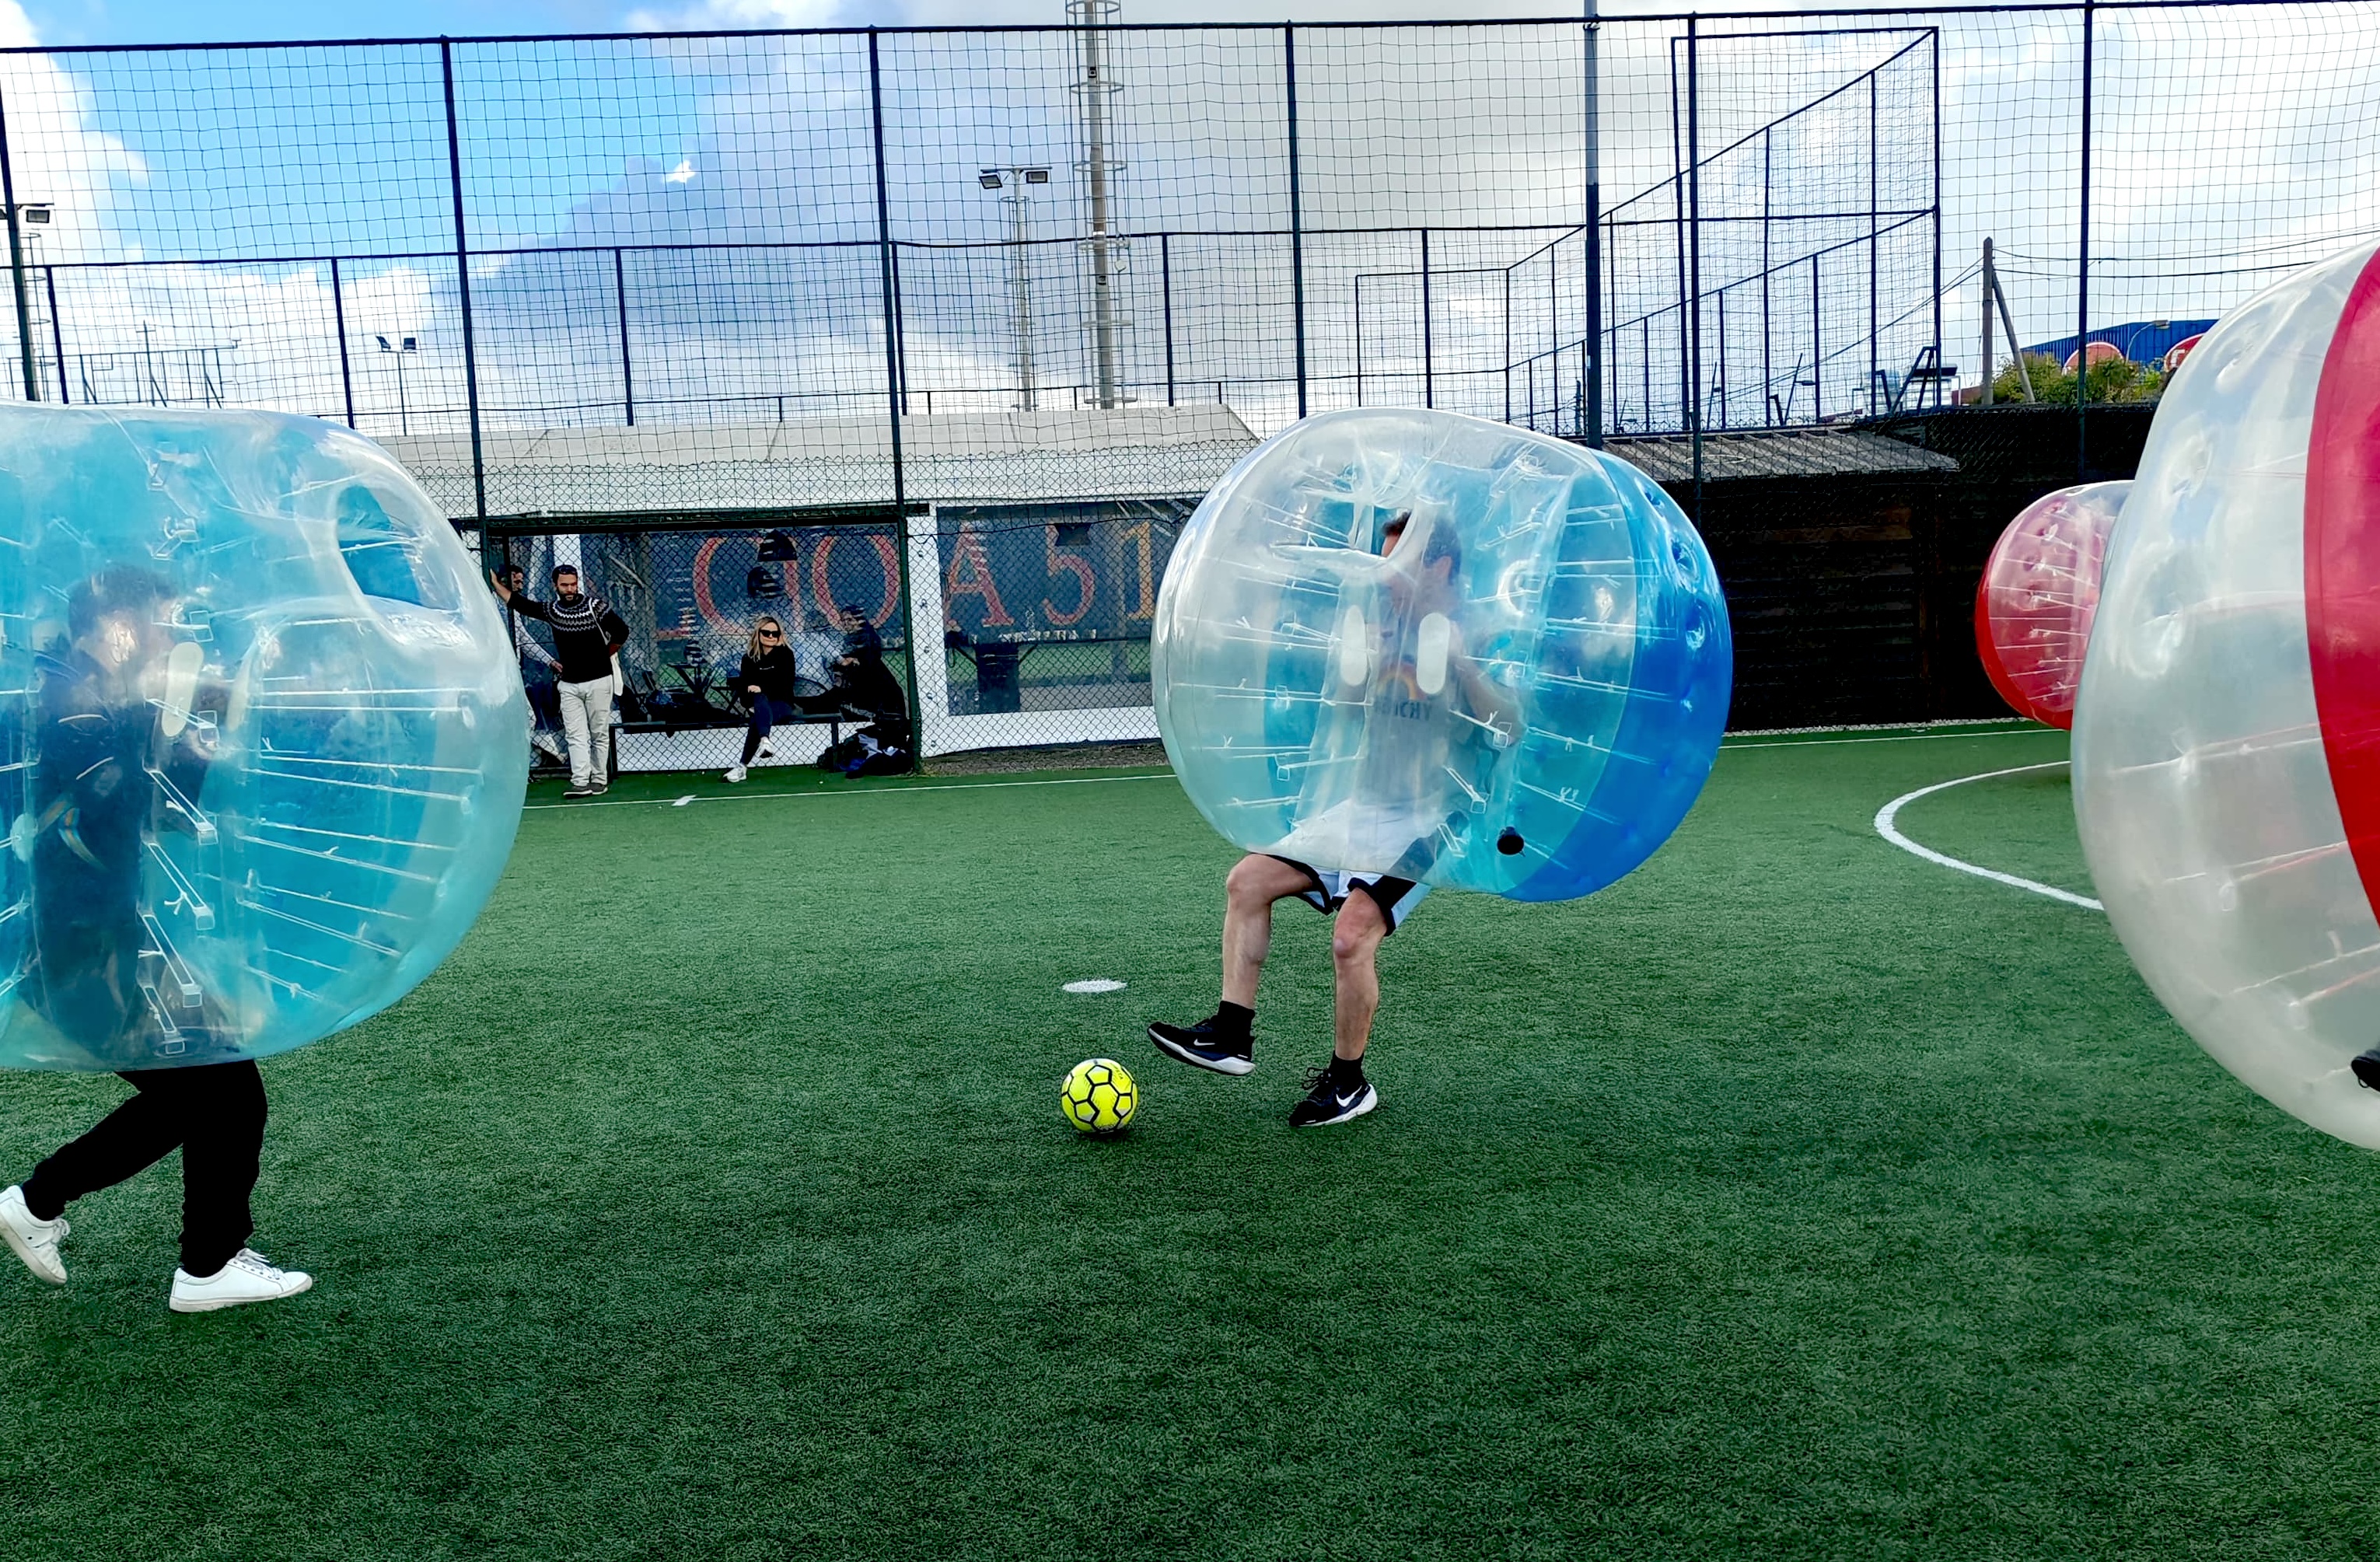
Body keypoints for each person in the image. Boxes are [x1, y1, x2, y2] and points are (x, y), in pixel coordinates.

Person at [0, 567, 313, 1312]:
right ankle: (205, 1265)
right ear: (118, 625)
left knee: (205, 1090)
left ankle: (42, 1204)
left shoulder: (70, 690)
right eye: (164, 620)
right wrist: (190, 736)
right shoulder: (71, 704)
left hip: (91, 941)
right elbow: (127, 811)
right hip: (84, 950)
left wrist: (178, 716)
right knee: (223, 1089)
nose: (172, 637)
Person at [1146, 510, 1505, 1127]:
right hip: (1361, 808)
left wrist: (1463, 666)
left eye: (1396, 563)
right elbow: (1343, 706)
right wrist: (1353, 660)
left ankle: (1348, 1083)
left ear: (1439, 565)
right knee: (1246, 882)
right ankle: (1231, 1034)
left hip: (1427, 819)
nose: (1383, 576)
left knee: (1350, 938)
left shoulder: (1479, 631)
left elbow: (1510, 723)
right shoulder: (1381, 625)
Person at [491, 563, 630, 798]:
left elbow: (621, 632)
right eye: (565, 585)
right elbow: (521, 604)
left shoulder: (595, 607)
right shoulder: (552, 610)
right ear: (555, 585)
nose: (570, 589)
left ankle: (599, 779)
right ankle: (580, 781)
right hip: (569, 683)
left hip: (599, 680)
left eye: (573, 584)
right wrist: (495, 583)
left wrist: (603, 654)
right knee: (575, 734)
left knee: (598, 732)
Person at [503, 564, 565, 767]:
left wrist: (550, 661)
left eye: (522, 581)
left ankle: (521, 765)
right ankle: (520, 766)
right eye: (517, 581)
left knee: (523, 718)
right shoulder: (493, 604)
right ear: (504, 580)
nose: (521, 586)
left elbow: (524, 639)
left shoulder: (512, 608)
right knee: (525, 718)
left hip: (511, 672)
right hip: (500, 673)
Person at [725, 615, 798, 784]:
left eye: (775, 633)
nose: (771, 637)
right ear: (758, 634)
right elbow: (744, 687)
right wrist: (749, 704)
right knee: (758, 700)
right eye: (767, 633)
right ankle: (764, 741)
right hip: (758, 704)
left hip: (782, 703)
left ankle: (743, 765)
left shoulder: (786, 654)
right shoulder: (749, 658)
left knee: (759, 705)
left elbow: (786, 684)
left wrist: (762, 688)